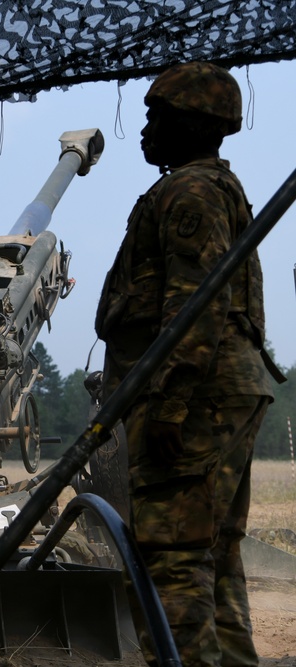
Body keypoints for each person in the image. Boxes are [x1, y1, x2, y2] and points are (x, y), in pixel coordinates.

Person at [94, 61, 281, 667]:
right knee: (213, 554)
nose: (145, 131)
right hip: (225, 389)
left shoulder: (190, 193)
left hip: (195, 396)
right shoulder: (208, 189)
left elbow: (195, 307)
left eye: (157, 119)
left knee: (168, 559)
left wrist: (171, 403)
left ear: (192, 124)